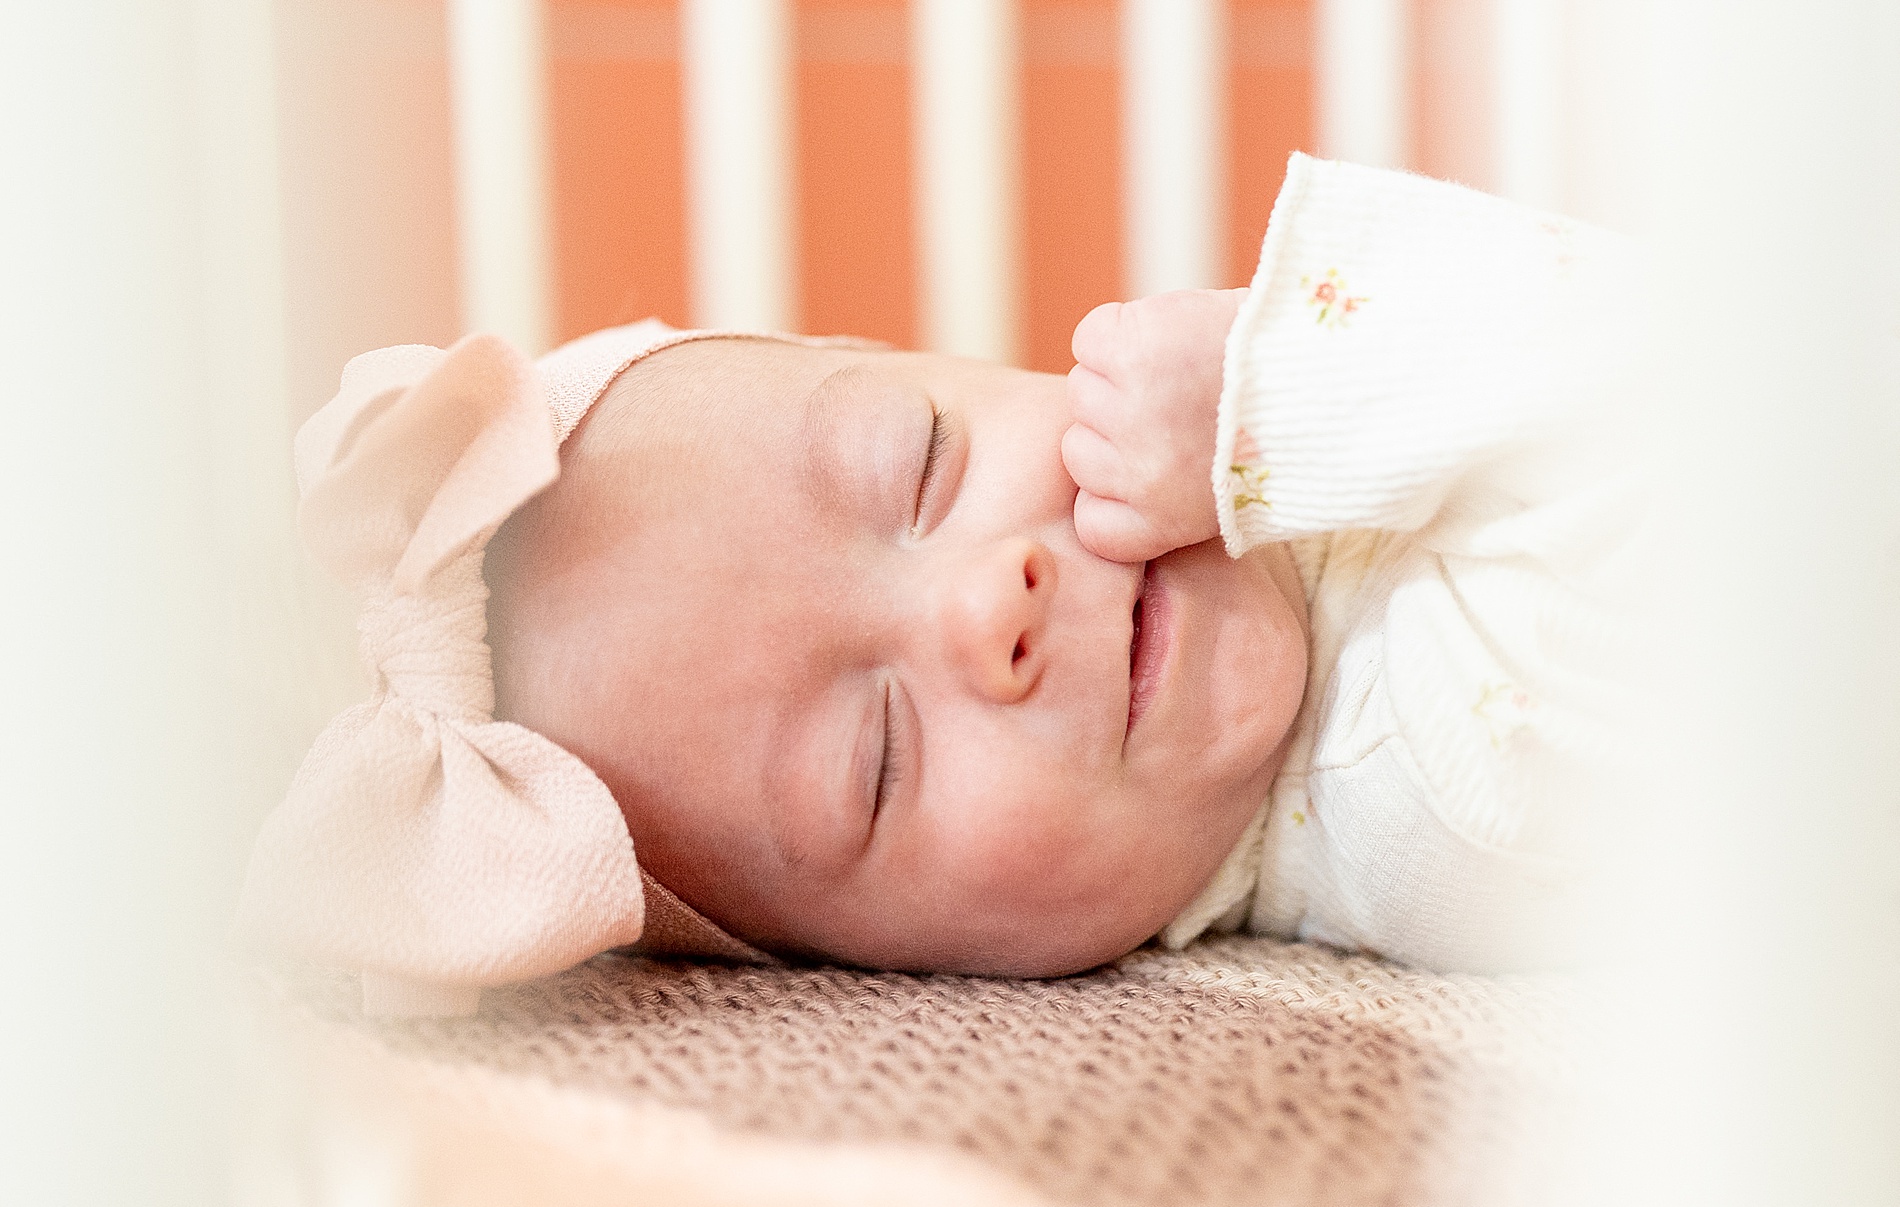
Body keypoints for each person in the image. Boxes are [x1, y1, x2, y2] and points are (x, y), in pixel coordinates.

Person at [239, 155, 1639, 1015]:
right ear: (885, 965)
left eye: (919, 463)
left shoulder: (1418, 455)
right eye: (877, 759)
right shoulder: (1291, 891)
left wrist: (1294, 389)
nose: (990, 609)